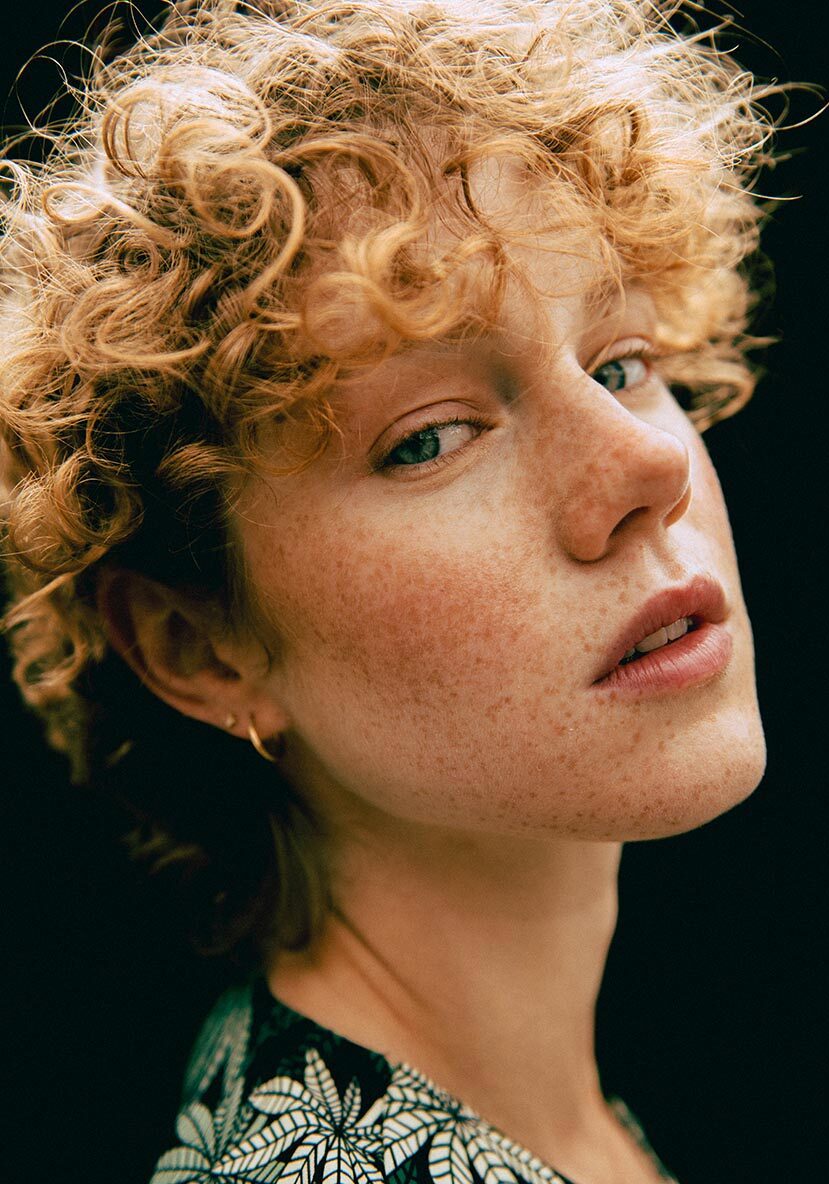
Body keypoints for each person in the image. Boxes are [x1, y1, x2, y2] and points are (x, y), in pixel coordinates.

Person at [0, 1, 781, 1181]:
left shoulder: (573, 1130)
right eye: (429, 437)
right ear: (198, 644)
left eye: (621, 362)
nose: (647, 466)